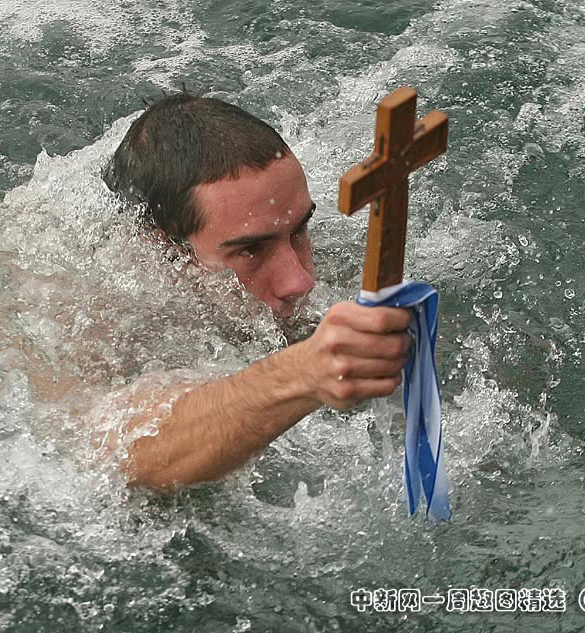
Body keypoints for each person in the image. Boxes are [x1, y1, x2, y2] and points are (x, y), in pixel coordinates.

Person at [102, 93, 414, 490]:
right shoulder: (87, 312)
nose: (300, 281)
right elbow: (116, 453)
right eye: (250, 250)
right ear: (165, 253)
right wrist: (302, 372)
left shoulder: (332, 258)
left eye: (299, 230)